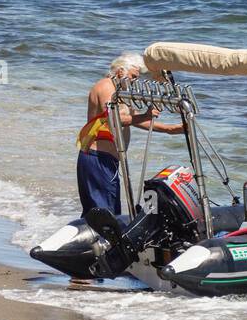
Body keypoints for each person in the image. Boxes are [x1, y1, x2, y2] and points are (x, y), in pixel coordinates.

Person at [77, 52, 184, 216]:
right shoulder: (106, 87)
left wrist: (169, 129)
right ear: (120, 71)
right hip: (97, 158)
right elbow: (116, 118)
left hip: (110, 161)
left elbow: (133, 119)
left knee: (111, 211)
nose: (136, 81)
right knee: (102, 213)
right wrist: (145, 115)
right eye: (133, 76)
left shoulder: (121, 92)